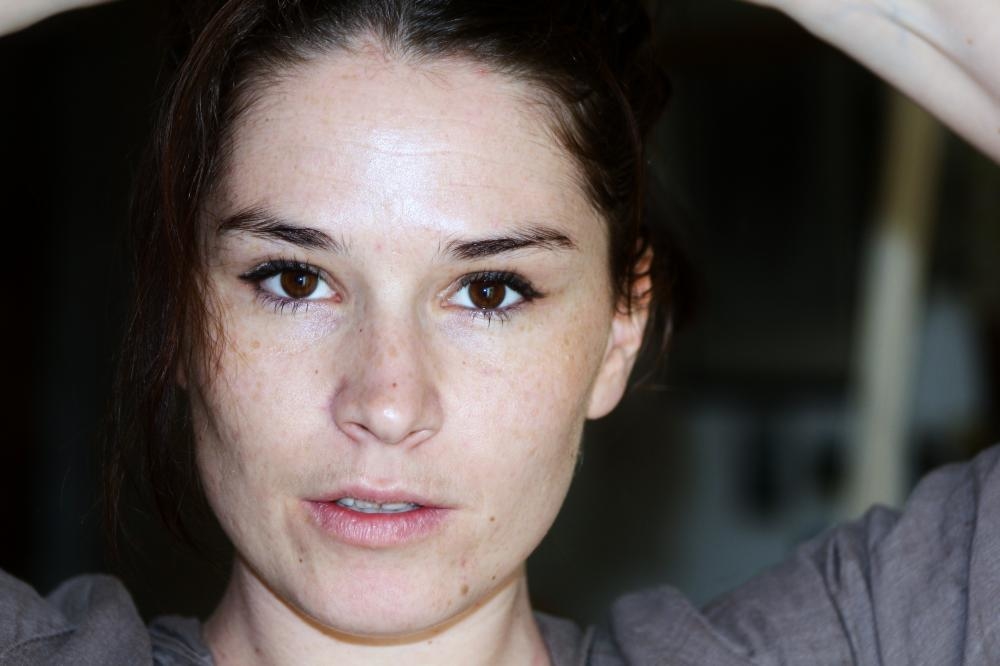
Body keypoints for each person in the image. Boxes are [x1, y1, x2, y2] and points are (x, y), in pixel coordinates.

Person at [1, 1, 998, 665]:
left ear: (621, 327)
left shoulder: (868, 638)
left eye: (488, 292)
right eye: (295, 279)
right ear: (182, 312)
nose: (386, 401)